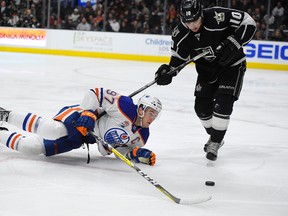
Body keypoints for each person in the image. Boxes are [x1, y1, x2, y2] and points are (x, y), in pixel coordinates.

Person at [154, 0, 256, 161]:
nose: (192, 25)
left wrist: (235, 42)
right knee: (201, 108)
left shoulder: (217, 16)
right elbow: (179, 57)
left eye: (195, 20)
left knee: (223, 103)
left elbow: (248, 22)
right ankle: (216, 135)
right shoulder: (180, 33)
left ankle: (215, 142)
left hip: (232, 66)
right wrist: (169, 70)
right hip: (206, 72)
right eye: (188, 22)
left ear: (201, 14)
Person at [0, 87, 162, 166]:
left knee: (32, 148)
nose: (153, 118)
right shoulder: (124, 106)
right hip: (80, 117)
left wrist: (134, 153)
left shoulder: (142, 137)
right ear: (141, 109)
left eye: (156, 114)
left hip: (85, 136)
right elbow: (95, 93)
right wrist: (89, 113)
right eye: (151, 112)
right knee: (53, 130)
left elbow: (118, 150)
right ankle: (4, 115)